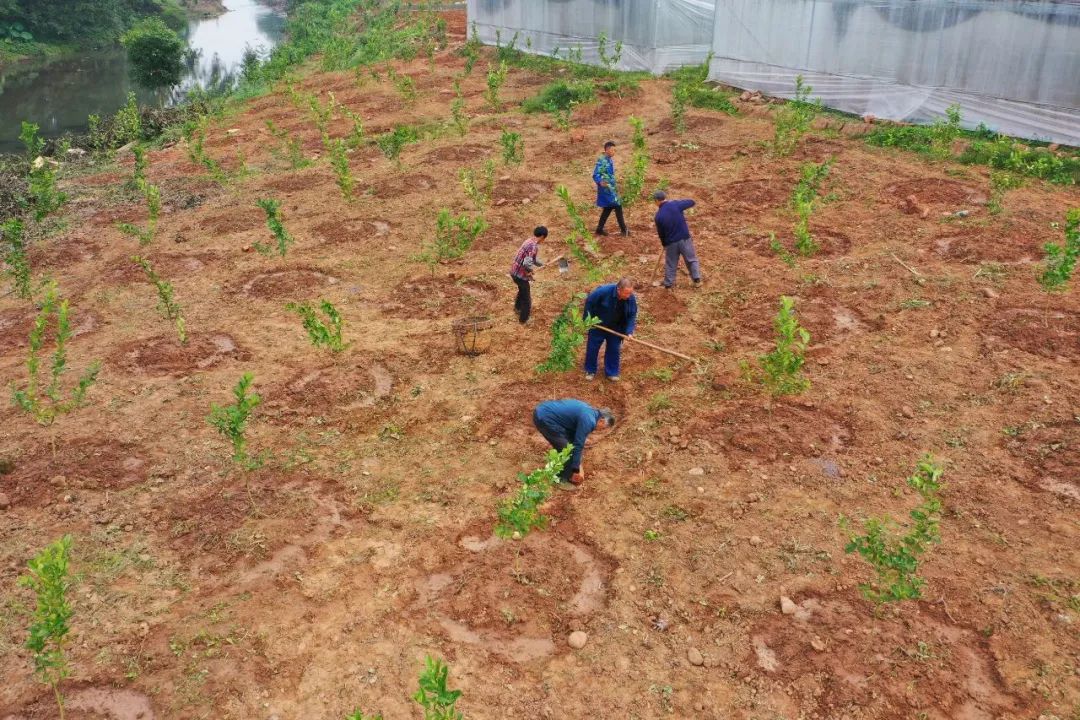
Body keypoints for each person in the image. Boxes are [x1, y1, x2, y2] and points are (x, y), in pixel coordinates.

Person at [533, 399, 615, 486]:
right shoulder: (589, 421)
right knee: (567, 450)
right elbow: (578, 444)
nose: (601, 430)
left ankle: (557, 463)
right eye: (604, 427)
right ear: (601, 420)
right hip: (544, 418)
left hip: (543, 411)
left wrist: (577, 461)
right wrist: (575, 470)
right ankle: (560, 478)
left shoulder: (589, 412)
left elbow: (573, 436)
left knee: (568, 446)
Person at [583, 277, 637, 381]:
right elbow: (589, 302)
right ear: (618, 289)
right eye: (626, 293)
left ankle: (612, 372)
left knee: (614, 349)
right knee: (592, 348)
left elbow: (632, 315)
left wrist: (629, 331)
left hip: (617, 327)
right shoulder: (603, 291)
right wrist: (587, 320)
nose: (628, 296)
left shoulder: (630, 298)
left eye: (630, 293)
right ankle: (590, 370)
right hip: (598, 324)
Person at [653, 191, 702, 289]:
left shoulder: (658, 216)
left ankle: (668, 284)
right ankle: (696, 279)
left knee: (671, 263)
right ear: (665, 197)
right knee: (691, 260)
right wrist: (678, 203)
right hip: (685, 239)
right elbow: (691, 202)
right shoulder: (675, 204)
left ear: (657, 201)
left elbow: (661, 234)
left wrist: (664, 244)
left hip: (671, 243)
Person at [508, 226, 548, 324]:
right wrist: (530, 270)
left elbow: (532, 259)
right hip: (520, 275)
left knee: (522, 290)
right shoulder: (534, 246)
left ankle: (517, 308)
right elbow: (527, 263)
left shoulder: (529, 241)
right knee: (527, 298)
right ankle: (523, 319)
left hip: (514, 272)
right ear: (542, 236)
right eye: (545, 238)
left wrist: (543, 264)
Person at [593, 140, 628, 236]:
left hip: (610, 188)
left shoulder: (609, 159)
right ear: (607, 150)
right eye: (613, 150)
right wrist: (600, 182)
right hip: (606, 189)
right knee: (618, 205)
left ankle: (599, 229)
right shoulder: (602, 160)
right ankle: (624, 230)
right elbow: (595, 175)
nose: (614, 152)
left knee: (608, 208)